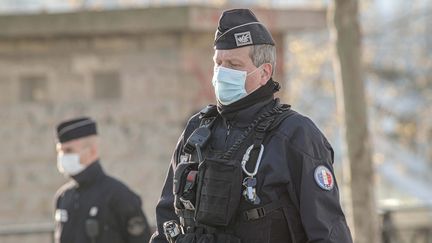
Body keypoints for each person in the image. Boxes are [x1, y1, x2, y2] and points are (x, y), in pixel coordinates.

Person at [150, 8, 353, 243]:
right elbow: (166, 218)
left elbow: (328, 233)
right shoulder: (197, 130)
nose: (222, 73)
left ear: (264, 72)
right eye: (219, 63)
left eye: (234, 64)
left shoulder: (295, 135)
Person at [54, 117, 151, 243]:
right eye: (60, 151)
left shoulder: (119, 195)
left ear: (92, 151)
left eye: (69, 150)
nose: (63, 156)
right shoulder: (63, 197)